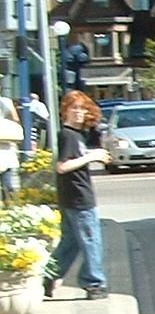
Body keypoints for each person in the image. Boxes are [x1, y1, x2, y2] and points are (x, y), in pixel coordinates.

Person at [45, 91, 111, 301]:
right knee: (91, 241)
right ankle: (94, 283)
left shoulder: (75, 135)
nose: (79, 113)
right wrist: (93, 156)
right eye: (74, 108)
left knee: (71, 242)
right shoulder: (69, 135)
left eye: (83, 108)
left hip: (71, 196)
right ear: (65, 111)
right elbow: (62, 166)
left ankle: (49, 275)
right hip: (79, 197)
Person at [0, 97, 22, 204]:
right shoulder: (6, 101)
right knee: (7, 182)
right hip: (5, 147)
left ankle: (9, 204)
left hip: (4, 147)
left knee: (7, 180)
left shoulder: (5, 102)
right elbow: (15, 119)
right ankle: (10, 205)